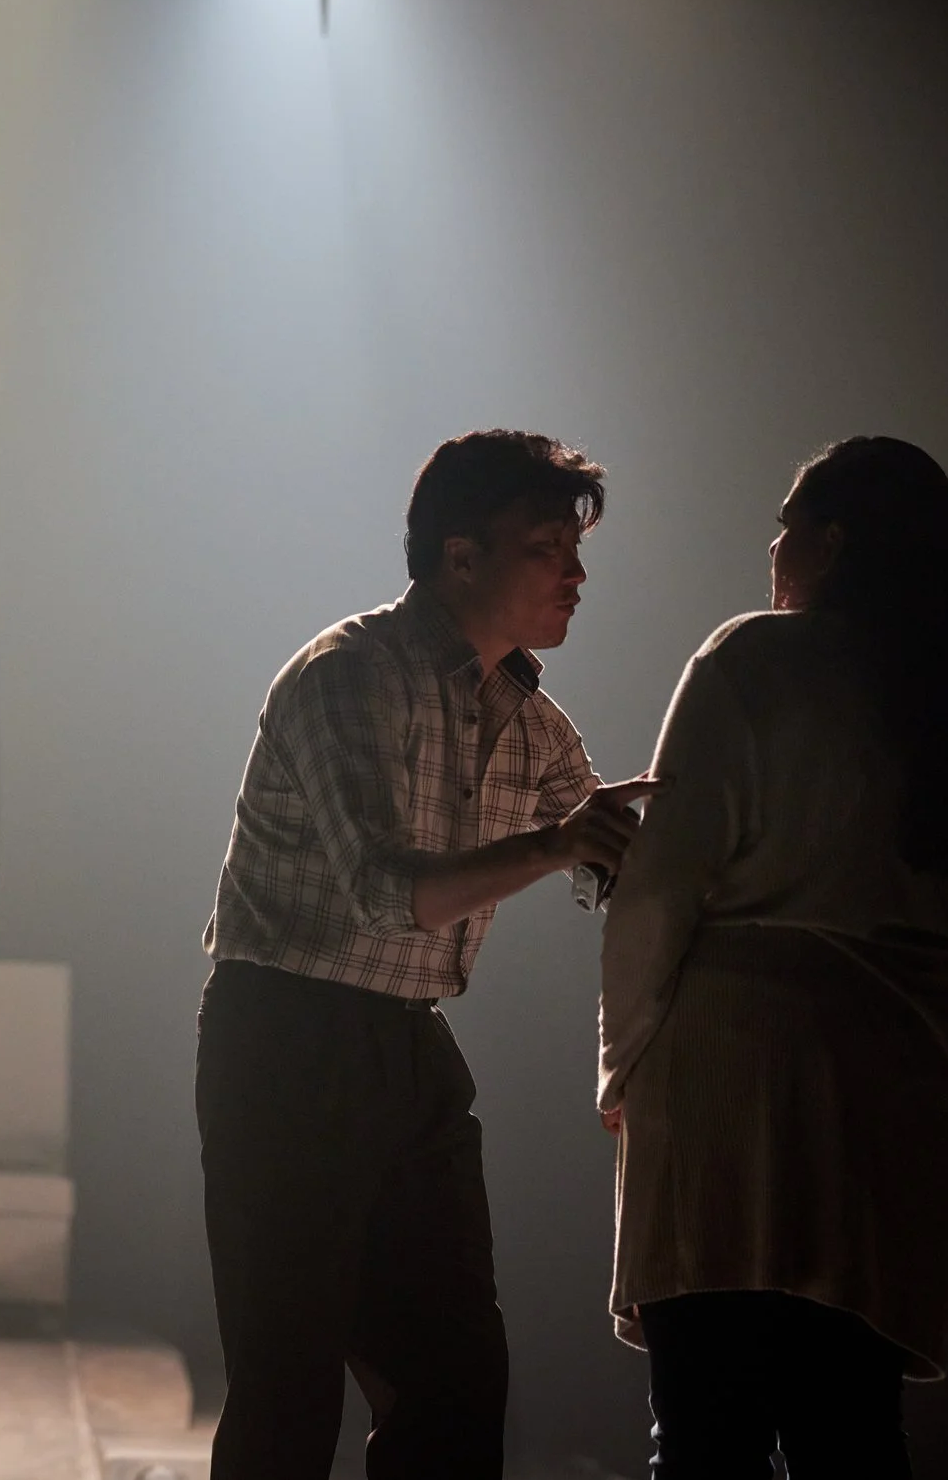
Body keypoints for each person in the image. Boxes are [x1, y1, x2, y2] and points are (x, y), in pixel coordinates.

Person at [199, 429, 660, 1480]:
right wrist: (560, 843)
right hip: (284, 1041)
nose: (576, 575)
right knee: (287, 1392)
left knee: (456, 1379)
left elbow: (613, 856)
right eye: (546, 548)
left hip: (409, 1048)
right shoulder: (348, 676)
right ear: (461, 556)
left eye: (575, 550)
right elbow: (383, 892)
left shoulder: (531, 720)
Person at [598, 436, 948, 1476]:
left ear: (832, 542)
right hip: (912, 1072)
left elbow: (664, 883)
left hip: (740, 1058)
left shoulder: (755, 657)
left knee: (708, 1426)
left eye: (786, 524)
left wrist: (622, 1057)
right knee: (850, 1426)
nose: (771, 546)